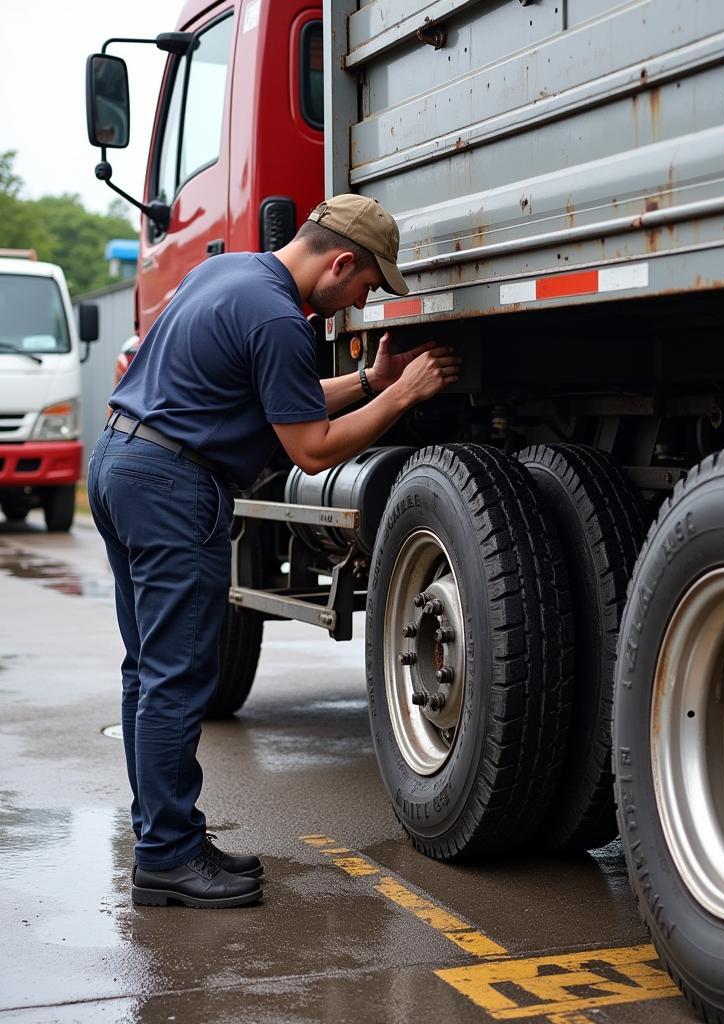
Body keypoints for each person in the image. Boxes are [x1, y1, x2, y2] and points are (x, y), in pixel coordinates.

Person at [88, 194, 460, 909]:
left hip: (121, 463)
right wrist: (402, 397)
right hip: (172, 487)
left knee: (148, 671)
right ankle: (166, 858)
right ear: (340, 262)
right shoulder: (282, 318)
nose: (361, 300)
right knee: (174, 678)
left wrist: (366, 383)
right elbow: (310, 450)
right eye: (366, 285)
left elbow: (276, 394)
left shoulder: (230, 276)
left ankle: (169, 840)